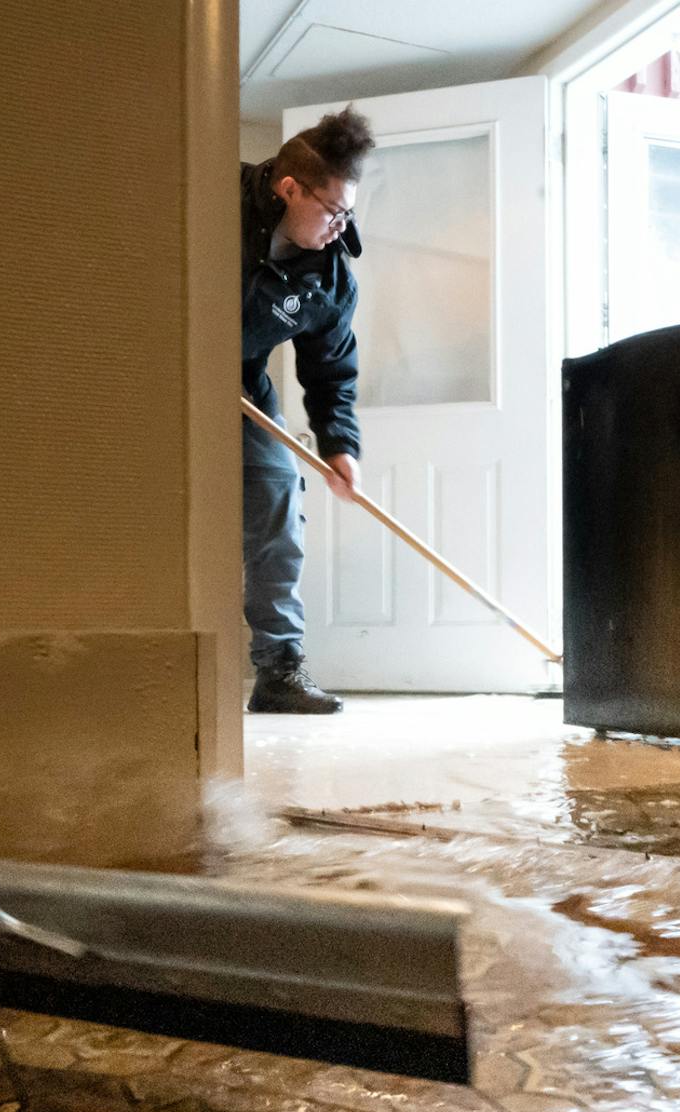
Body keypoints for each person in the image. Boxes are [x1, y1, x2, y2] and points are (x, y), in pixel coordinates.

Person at [239, 107, 374, 714]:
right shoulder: (207, 198)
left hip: (240, 382)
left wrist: (339, 445)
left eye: (349, 211)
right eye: (332, 209)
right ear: (288, 188)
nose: (340, 226)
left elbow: (330, 370)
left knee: (279, 495)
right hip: (154, 369)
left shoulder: (330, 276)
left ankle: (280, 670)